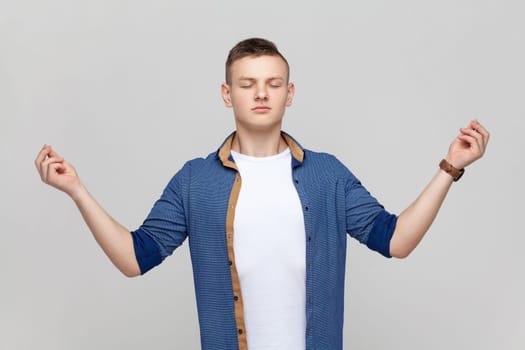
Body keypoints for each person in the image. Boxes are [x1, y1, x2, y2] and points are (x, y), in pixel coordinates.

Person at [34, 38, 489, 350]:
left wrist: (449, 169)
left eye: (273, 84)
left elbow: (396, 240)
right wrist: (76, 190)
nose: (261, 94)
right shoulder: (196, 180)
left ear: (289, 94)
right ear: (226, 94)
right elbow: (135, 257)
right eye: (247, 84)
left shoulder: (326, 175)